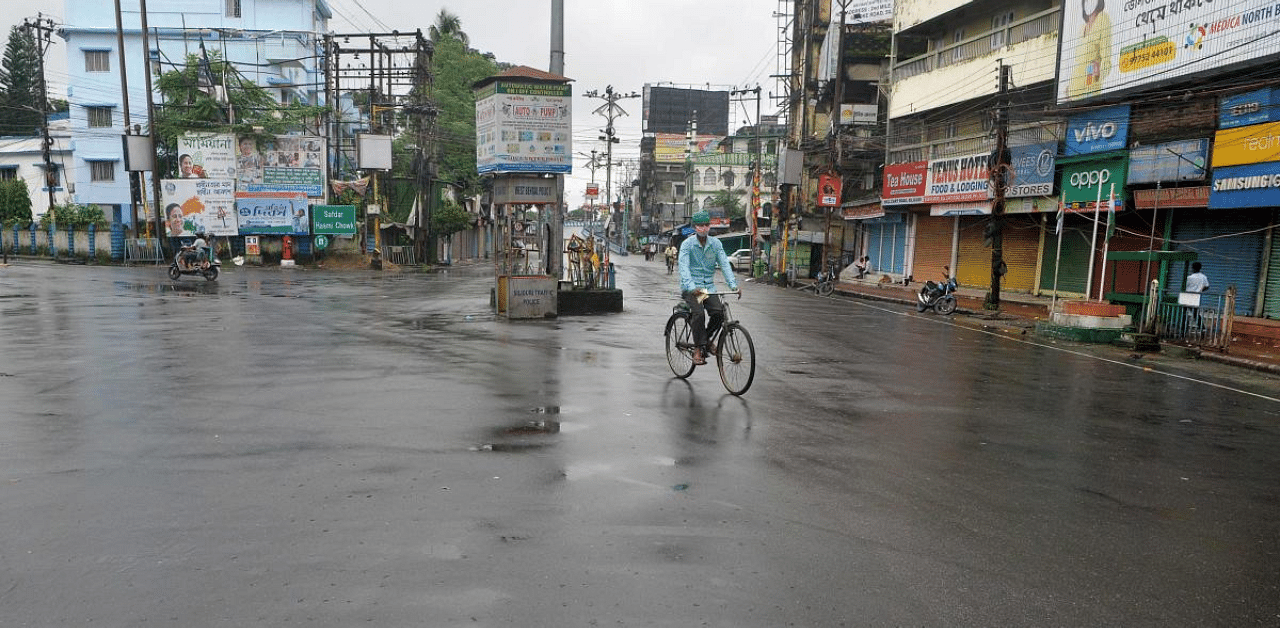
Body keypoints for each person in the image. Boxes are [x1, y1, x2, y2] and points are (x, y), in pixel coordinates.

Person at [678, 210, 738, 365]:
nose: (703, 228)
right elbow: (683, 267)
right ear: (695, 227)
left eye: (706, 225)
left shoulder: (715, 244)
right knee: (699, 314)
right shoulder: (687, 245)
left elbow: (724, 263)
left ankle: (707, 340)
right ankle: (698, 349)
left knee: (718, 313)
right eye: (700, 225)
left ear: (709, 226)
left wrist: (733, 285)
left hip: (707, 288)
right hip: (692, 287)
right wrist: (692, 287)